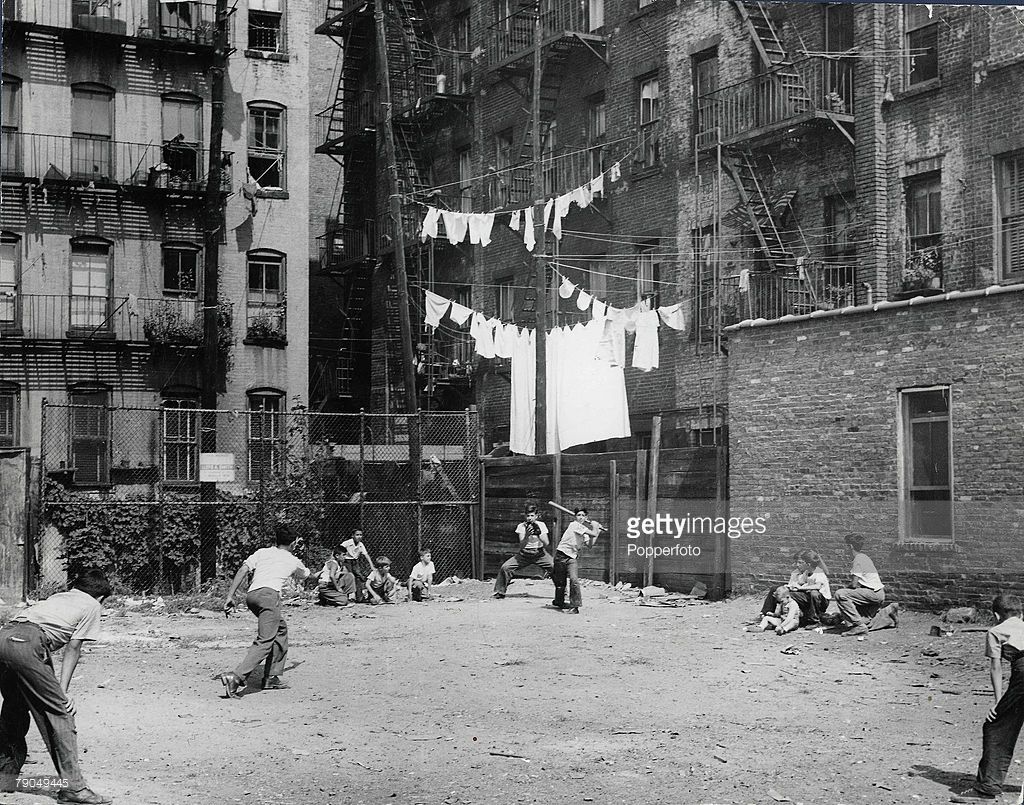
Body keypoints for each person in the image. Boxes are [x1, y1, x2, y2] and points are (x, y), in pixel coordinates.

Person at [0, 569, 113, 804]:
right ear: (101, 597)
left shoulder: (60, 597)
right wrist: (62, 693)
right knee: (60, 713)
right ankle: (73, 788)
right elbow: (73, 648)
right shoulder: (92, 605)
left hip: (4, 636)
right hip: (28, 643)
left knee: (15, 706)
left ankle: (5, 776)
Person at [219, 523, 311, 698]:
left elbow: (243, 569)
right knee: (265, 640)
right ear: (293, 544)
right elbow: (306, 575)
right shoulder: (293, 559)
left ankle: (271, 677)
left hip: (252, 596)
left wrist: (230, 596)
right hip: (270, 597)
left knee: (280, 630)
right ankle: (236, 677)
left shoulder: (262, 552)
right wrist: (319, 573)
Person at [951, 595, 1024, 802]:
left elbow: (996, 668)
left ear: (996, 615)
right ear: (1021, 614)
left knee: (996, 726)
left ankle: (987, 788)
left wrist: (998, 702)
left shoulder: (995, 631)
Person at [493, 505, 553, 599]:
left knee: (555, 567)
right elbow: (522, 546)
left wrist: (538, 533)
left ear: (536, 516)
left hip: (540, 554)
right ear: (525, 516)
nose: (530, 518)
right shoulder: (521, 526)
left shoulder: (541, 525)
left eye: (532, 515)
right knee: (506, 567)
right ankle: (500, 592)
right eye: (528, 516)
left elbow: (547, 543)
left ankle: (562, 595)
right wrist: (527, 535)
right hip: (524, 554)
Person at [832, 533, 887, 636]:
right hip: (876, 593)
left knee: (840, 594)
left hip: (873, 593)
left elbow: (853, 584)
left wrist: (846, 588)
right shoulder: (864, 557)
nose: (845, 548)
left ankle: (858, 627)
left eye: (846, 545)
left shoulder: (858, 559)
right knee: (863, 620)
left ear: (850, 546)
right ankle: (888, 614)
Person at [551, 509, 602, 614]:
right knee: (560, 583)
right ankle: (559, 602)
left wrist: (598, 531)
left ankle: (575, 606)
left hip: (572, 557)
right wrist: (595, 526)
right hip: (560, 555)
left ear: (586, 517)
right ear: (575, 517)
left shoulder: (584, 531)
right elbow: (593, 533)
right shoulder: (574, 525)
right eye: (578, 515)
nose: (581, 517)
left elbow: (590, 545)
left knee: (574, 580)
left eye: (583, 515)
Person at [789, 550, 832, 628]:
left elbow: (818, 586)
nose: (798, 565)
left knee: (814, 593)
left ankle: (815, 621)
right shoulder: (806, 572)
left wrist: (801, 588)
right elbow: (800, 582)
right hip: (810, 599)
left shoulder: (818, 572)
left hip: (821, 601)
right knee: (789, 594)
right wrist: (793, 586)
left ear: (808, 564)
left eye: (801, 563)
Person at [755, 552, 805, 619]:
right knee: (775, 589)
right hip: (794, 591)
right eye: (796, 562)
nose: (797, 565)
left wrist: (796, 587)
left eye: (800, 563)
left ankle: (778, 614)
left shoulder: (810, 573)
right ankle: (765, 612)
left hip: (803, 593)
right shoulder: (795, 572)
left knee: (783, 594)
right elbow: (791, 584)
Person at [340, 530, 373, 603]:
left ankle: (359, 598)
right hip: (346, 561)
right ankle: (346, 597)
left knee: (359, 577)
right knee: (349, 577)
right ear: (352, 536)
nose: (359, 537)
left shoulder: (361, 544)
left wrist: (371, 565)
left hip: (355, 562)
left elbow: (366, 555)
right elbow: (338, 550)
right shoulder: (347, 543)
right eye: (357, 535)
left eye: (361, 535)